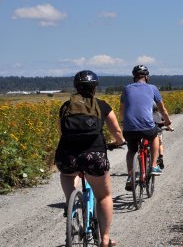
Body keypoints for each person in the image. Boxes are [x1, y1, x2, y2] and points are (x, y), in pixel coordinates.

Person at [55, 70, 125, 247]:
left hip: (67, 156)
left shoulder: (65, 106)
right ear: (95, 87)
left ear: (76, 87)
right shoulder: (102, 105)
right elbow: (116, 131)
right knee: (104, 196)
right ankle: (105, 239)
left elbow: (61, 132)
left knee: (68, 176)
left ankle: (71, 203)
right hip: (94, 156)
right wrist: (119, 141)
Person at [120, 65, 172, 190]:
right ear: (147, 77)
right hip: (147, 127)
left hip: (129, 128)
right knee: (155, 137)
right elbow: (162, 109)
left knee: (131, 151)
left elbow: (121, 109)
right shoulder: (152, 88)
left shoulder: (126, 88)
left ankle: (130, 176)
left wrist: (123, 122)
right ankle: (153, 165)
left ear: (134, 78)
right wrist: (168, 122)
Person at [152, 102, 174, 169]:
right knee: (160, 144)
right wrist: (170, 128)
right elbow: (166, 123)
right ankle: (160, 157)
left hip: (147, 130)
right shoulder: (160, 114)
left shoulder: (147, 113)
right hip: (158, 130)